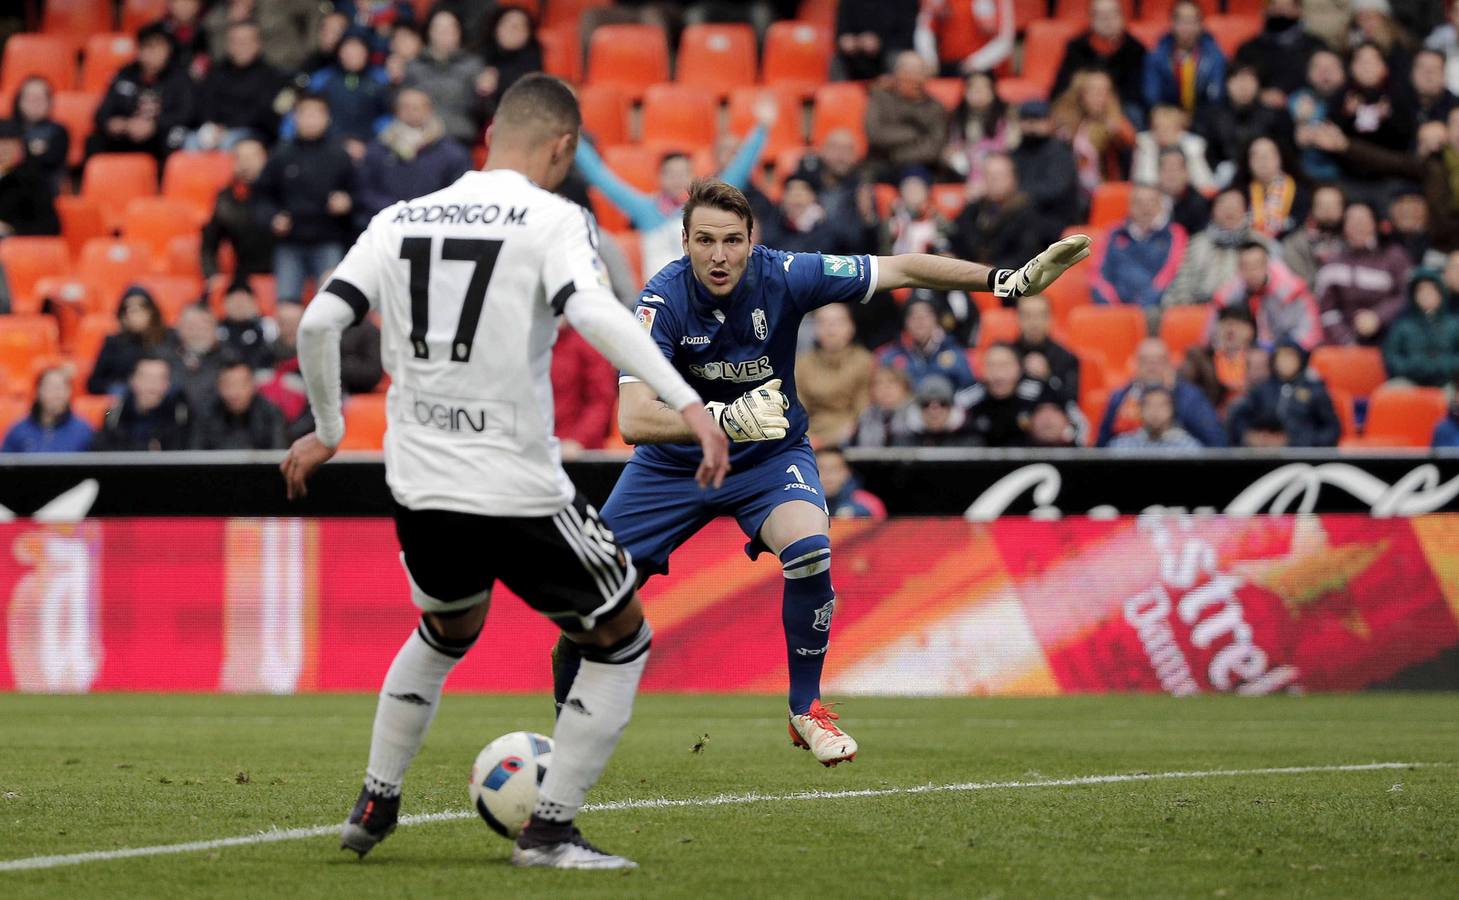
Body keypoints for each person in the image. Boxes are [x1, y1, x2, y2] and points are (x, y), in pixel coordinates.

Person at [280, 74, 726, 869]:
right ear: (562, 146)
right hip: (513, 484)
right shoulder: (555, 218)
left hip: (418, 482)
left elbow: (318, 320)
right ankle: (550, 830)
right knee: (621, 638)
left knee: (446, 627)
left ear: (490, 135)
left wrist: (327, 429)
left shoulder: (397, 218)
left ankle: (377, 796)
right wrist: (687, 403)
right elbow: (590, 312)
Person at [551, 178, 1089, 771]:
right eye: (705, 240)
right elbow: (633, 418)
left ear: (752, 240)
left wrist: (1003, 281)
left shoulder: (786, 273)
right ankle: (564, 732)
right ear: (684, 242)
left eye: (732, 240)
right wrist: (724, 417)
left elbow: (903, 267)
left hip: (768, 457)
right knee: (590, 602)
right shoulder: (661, 300)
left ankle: (805, 708)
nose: (720, 255)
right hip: (674, 465)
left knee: (810, 548)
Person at [575, 101, 772, 280]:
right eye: (671, 174)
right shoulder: (644, 209)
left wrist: (762, 128)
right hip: (659, 299)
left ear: (692, 176)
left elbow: (738, 171)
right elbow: (601, 177)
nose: (678, 180)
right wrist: (571, 132)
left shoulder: (704, 206)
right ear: (660, 178)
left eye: (683, 173)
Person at [254, 93, 356, 304]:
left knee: (332, 303)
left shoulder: (340, 155)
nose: (310, 120)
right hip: (290, 241)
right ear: (294, 118)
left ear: (327, 118)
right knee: (286, 304)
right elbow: (262, 196)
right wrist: (272, 218)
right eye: (304, 114)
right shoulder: (280, 155)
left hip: (328, 239)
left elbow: (359, 193)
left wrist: (347, 202)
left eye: (316, 114)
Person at [353, 88, 472, 226]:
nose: (411, 111)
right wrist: (396, 210)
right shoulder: (378, 149)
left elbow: (459, 192)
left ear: (429, 110)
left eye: (416, 107)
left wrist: (425, 212)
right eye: (405, 107)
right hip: (387, 222)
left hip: (433, 224)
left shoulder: (452, 152)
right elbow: (364, 189)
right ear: (396, 111)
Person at [87, 23, 193, 163]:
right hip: (127, 132)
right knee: (94, 141)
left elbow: (187, 113)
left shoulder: (180, 77)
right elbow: (102, 113)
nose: (151, 53)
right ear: (139, 50)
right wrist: (122, 124)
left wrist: (154, 125)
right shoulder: (125, 74)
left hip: (159, 135)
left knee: (174, 139)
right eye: (147, 47)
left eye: (157, 48)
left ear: (168, 50)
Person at [1097, 337, 1225, 446]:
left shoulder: (1189, 397)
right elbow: (1102, 447)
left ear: (1169, 364)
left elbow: (1215, 443)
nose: (1152, 367)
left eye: (1159, 360)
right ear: (1135, 364)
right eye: (1145, 361)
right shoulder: (1120, 398)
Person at [1316, 202, 1412, 345]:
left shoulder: (1394, 256)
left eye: (1363, 220)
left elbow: (1408, 294)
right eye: (1352, 221)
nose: (1358, 226)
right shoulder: (1332, 262)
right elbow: (1327, 310)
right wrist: (1345, 340)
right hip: (1344, 346)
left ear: (1375, 224)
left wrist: (1378, 317)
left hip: (1389, 340)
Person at [1090, 182, 1188, 310]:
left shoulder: (1174, 234)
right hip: (1113, 310)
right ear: (1130, 206)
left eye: (1151, 202)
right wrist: (1114, 306)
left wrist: (1145, 303)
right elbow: (1097, 274)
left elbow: (1170, 272)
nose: (1145, 208)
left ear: (1161, 206)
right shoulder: (1113, 233)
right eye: (1139, 202)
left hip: (1155, 310)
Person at [189, 21, 284, 151]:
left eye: (246, 41)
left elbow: (263, 113)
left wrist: (227, 128)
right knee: (191, 142)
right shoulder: (217, 72)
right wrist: (211, 125)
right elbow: (206, 103)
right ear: (228, 45)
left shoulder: (271, 76)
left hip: (253, 133)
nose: (241, 47)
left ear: (258, 44)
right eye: (236, 42)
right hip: (216, 130)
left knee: (228, 143)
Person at [1227, 341, 1341, 447]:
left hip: (1301, 455)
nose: (1285, 361)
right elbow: (1238, 419)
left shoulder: (1315, 391)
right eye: (1280, 356)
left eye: (1290, 356)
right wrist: (1249, 436)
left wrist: (1297, 442)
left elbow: (1332, 430)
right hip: (1263, 454)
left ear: (1300, 358)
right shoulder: (1262, 389)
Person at [300, 29, 392, 159]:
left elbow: (388, 116)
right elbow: (306, 114)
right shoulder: (322, 79)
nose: (353, 56)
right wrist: (339, 143)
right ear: (339, 52)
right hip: (326, 147)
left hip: (370, 149)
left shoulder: (380, 80)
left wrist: (370, 144)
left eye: (358, 51)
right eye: (348, 50)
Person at [1051, 0, 1148, 123]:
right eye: (1101, 15)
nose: (1107, 20)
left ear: (1122, 17)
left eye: (1112, 14)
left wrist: (1105, 102)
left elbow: (1136, 92)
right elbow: (1062, 87)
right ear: (1091, 19)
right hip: (1081, 103)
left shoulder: (1135, 49)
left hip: (1118, 106)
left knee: (1134, 112)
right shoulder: (1076, 47)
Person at [1213, 240, 1322, 349]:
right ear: (1239, 269)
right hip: (1248, 352)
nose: (1252, 272)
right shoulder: (1231, 294)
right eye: (1245, 266)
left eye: (1256, 265)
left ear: (1267, 265)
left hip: (1288, 350)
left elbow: (1309, 332)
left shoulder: (1291, 290)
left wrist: (1286, 349)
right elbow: (1212, 335)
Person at [403, 8, 487, 146]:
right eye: (439, 28)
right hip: (418, 135)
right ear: (429, 32)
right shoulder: (413, 65)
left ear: (459, 32)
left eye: (450, 28)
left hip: (459, 135)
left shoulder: (474, 65)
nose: (444, 33)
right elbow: (398, 105)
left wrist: (483, 94)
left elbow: (480, 112)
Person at [1198, 65, 1293, 186]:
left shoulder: (1274, 116)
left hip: (1267, 179)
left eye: (1249, 80)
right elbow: (1208, 154)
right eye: (1238, 79)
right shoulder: (1211, 117)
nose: (1243, 86)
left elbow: (1285, 155)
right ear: (1227, 84)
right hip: (1224, 181)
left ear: (1258, 84)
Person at [1166, 189, 1262, 306]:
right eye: (1223, 205)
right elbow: (1182, 281)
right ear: (1212, 211)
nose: (1229, 211)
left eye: (1235, 205)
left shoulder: (1258, 242)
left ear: (1246, 210)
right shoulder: (1197, 242)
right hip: (1199, 309)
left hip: (1244, 310)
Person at [796, 303, 874, 447]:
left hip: (850, 434)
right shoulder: (802, 364)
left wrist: (843, 435)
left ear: (851, 327)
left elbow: (864, 410)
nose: (830, 330)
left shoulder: (864, 361)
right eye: (823, 323)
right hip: (810, 434)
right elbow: (798, 409)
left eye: (837, 323)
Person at [950, 153, 1045, 271]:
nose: (994, 181)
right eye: (989, 175)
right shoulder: (975, 209)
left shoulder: (1026, 211)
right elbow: (957, 241)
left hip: (1007, 279)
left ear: (1013, 178)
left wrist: (991, 270)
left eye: (999, 175)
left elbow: (1026, 256)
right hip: (971, 277)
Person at [865, 52, 949, 179]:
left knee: (915, 182)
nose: (913, 77)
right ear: (896, 72)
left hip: (916, 166)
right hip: (878, 163)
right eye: (907, 71)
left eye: (918, 71)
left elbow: (934, 147)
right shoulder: (880, 97)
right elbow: (875, 134)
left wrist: (898, 155)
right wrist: (913, 134)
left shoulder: (936, 107)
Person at [1051, 70, 1137, 195]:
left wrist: (1111, 121)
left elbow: (1130, 140)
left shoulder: (1115, 122)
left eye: (1104, 91)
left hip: (1104, 191)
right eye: (1093, 91)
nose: (1099, 96)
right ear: (1081, 94)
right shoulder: (1068, 120)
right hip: (1072, 190)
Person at [201, 139, 274, 282]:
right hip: (245, 278)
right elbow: (209, 243)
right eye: (239, 158)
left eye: (252, 157)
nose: (246, 163)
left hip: (284, 275)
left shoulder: (283, 191)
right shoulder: (226, 198)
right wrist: (212, 276)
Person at [86, 286, 178, 396]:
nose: (134, 312)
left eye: (141, 306)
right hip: (127, 401)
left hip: (166, 398)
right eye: (127, 308)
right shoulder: (114, 344)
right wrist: (122, 389)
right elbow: (94, 384)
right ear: (123, 316)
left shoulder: (170, 337)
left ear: (152, 311)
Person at [1009, 101, 1080, 237]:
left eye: (1037, 119)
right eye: (1027, 119)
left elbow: (1054, 189)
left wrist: (1018, 196)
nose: (1031, 125)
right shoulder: (1016, 153)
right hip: (1022, 216)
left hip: (1054, 219)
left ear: (1049, 122)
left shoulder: (1060, 152)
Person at [92, 355, 192, 452]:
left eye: (160, 378)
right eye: (146, 378)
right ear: (132, 380)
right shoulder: (115, 414)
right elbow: (103, 452)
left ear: (168, 383)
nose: (152, 384)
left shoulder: (180, 416)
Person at [1142, 0, 1226, 115]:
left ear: (1201, 24)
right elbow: (1151, 97)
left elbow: (1217, 96)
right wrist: (1173, 116)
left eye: (1192, 22)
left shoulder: (1215, 56)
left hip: (1205, 118)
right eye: (1182, 21)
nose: (1187, 28)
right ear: (1172, 23)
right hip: (1167, 117)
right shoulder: (1156, 57)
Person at [190, 353, 286, 450]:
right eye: (228, 385)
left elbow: (278, 452)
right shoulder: (206, 413)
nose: (234, 393)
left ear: (253, 385)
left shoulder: (270, 413)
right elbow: (196, 455)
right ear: (218, 386)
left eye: (241, 384)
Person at [880, 296, 977, 393]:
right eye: (913, 316)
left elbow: (972, 389)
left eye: (925, 316)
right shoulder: (892, 358)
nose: (919, 321)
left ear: (936, 320)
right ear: (905, 323)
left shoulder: (955, 353)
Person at [549, 322, 617, 458]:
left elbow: (601, 400)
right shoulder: (526, 342)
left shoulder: (587, 342)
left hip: (578, 453)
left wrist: (578, 440)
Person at [1231, 0, 1326, 98]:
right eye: (1275, 6)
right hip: (1259, 108)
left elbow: (1330, 82)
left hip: (1310, 105)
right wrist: (1260, 95)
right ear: (1265, 10)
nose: (1280, 11)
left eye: (1286, 7)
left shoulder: (1316, 46)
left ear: (1298, 10)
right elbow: (1236, 83)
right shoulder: (1247, 49)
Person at [1334, 42, 1416, 154]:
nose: (1366, 67)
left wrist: (1388, 118)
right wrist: (1347, 116)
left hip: (1391, 162)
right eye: (1361, 61)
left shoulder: (1398, 96)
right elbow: (1332, 136)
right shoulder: (1342, 96)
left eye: (1372, 61)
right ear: (1351, 68)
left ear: (1384, 68)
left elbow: (1408, 137)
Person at [203, 0, 323, 74]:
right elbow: (218, 55)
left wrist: (312, 46)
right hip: (245, 78)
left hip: (289, 66)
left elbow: (314, 8)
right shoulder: (217, 17)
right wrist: (231, 22)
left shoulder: (277, 3)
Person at [961, 343, 1046, 447]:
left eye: (1005, 365)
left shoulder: (1039, 392)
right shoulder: (968, 399)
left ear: (1019, 368)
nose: (998, 375)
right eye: (991, 366)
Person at [1384, 269, 1459, 385]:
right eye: (1421, 290)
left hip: (1448, 381)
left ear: (1441, 293)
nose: (1426, 294)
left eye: (1432, 290)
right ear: (1414, 296)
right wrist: (1416, 366)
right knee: (1392, 392)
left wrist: (1441, 366)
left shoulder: (1454, 325)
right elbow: (1392, 358)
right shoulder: (1402, 325)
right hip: (1409, 380)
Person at [474, 5, 542, 126]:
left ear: (528, 33)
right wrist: (484, 95)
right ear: (496, 28)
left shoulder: (534, 64)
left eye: (519, 27)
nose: (512, 30)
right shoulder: (478, 59)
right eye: (507, 24)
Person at [1, 366, 94, 454]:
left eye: (61, 388)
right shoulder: (19, 430)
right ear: (38, 392)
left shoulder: (83, 431)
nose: (57, 394)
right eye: (50, 387)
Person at [943, 71, 1010, 190]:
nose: (979, 93)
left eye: (984, 88)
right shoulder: (957, 119)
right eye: (974, 88)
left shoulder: (1006, 117)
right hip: (965, 175)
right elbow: (954, 146)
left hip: (996, 173)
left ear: (993, 91)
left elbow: (1005, 148)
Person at [1289, 49, 1347, 184]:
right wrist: (1299, 123)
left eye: (1331, 67)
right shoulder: (1296, 100)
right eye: (1318, 67)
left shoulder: (1353, 100)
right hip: (1303, 178)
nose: (1325, 73)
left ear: (1343, 73)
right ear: (1308, 73)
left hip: (1346, 177)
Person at [915, 0, 1015, 77]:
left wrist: (976, 63)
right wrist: (929, 59)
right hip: (948, 66)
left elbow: (1005, 39)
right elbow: (925, 29)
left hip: (987, 69)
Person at [1012, 293, 1080, 406]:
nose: (1034, 323)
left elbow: (1071, 401)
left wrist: (1047, 377)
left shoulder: (1066, 358)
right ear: (1017, 318)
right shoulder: (1007, 355)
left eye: (1040, 315)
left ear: (1050, 318)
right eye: (1027, 315)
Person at [1132, 105, 1216, 192]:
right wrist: (1151, 152)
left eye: (1167, 128)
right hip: (1155, 196)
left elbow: (1204, 182)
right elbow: (1144, 181)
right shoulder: (1145, 144)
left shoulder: (1193, 146)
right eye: (1157, 127)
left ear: (1180, 129)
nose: (1162, 132)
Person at [1240, 135, 1310, 241]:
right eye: (1256, 155)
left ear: (1280, 157)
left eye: (1268, 155)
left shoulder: (1301, 193)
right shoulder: (1239, 193)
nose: (1262, 160)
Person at [0, 119, 58, 238]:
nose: (3, 149)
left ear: (22, 148)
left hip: (16, 245)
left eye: (10, 144)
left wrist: (10, 229)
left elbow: (50, 226)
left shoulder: (33, 179)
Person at [1280, 182, 1348, 284]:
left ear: (1343, 209)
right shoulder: (1295, 243)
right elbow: (1299, 284)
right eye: (1322, 205)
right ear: (1312, 208)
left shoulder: (1353, 239)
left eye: (1333, 204)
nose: (1328, 210)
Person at [835, 0, 918, 81]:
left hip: (890, 52)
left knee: (900, 60)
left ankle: (893, 93)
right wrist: (847, 40)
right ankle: (837, 94)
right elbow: (842, 30)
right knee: (836, 62)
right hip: (856, 54)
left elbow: (907, 37)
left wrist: (880, 43)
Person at [10, 77, 67, 193]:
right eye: (30, 98)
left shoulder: (58, 131)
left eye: (40, 98)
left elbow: (50, 160)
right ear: (19, 100)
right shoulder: (5, 128)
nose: (35, 103)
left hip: (40, 192)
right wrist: (31, 149)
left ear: (49, 102)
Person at [1108, 387, 1204, 451]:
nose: (1155, 411)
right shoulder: (1121, 447)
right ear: (1140, 410)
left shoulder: (1188, 448)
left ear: (1172, 410)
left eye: (1162, 405)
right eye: (1149, 405)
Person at [172, 303, 227, 413]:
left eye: (203, 326)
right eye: (191, 326)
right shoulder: (164, 359)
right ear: (179, 328)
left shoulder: (230, 360)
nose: (197, 332)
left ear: (215, 329)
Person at [897, 373, 980, 447]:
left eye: (942, 403)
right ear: (918, 409)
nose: (934, 411)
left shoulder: (970, 442)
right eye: (926, 404)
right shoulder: (905, 443)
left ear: (951, 408)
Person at [882, 171, 953, 256]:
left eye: (917, 188)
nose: (913, 193)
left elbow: (948, 239)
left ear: (926, 192)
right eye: (908, 189)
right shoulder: (892, 217)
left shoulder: (936, 216)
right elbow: (884, 247)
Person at [852, 364, 917, 447]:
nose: (885, 388)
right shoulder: (865, 416)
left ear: (905, 387)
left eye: (892, 381)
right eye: (878, 383)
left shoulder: (918, 413)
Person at [217, 281, 277, 371]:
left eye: (243, 301)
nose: (239, 305)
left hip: (262, 375)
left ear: (255, 302)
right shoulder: (217, 329)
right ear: (225, 303)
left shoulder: (268, 325)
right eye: (235, 301)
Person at [814, 446, 886, 519]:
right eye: (821, 468)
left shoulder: (870, 504)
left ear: (848, 472)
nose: (828, 475)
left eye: (835, 468)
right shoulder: (803, 503)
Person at [1158, 147, 1213, 235]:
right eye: (1166, 169)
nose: (1171, 174)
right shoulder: (1149, 200)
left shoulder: (1199, 204)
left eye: (1176, 169)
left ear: (1186, 172)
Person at [1413, 47, 1459, 126]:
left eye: (1434, 70)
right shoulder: (1396, 105)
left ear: (1445, 75)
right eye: (1422, 68)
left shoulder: (1455, 107)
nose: (1428, 76)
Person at [1389, 189, 1434, 266]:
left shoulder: (1441, 242)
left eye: (1414, 205)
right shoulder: (1384, 243)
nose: (1407, 210)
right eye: (1401, 204)